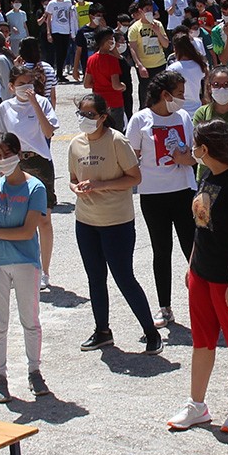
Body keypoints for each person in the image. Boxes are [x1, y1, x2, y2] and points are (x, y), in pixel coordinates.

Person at [168, 120, 228, 434]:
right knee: (202, 340)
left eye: (194, 144)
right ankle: (197, 404)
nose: (191, 149)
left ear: (204, 148)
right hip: (203, 272)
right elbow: (201, 224)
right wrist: (193, 264)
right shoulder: (207, 175)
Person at [68, 93, 162, 355]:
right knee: (95, 278)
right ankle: (102, 331)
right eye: (81, 114)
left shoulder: (117, 141)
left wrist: (101, 185)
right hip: (86, 221)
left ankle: (150, 332)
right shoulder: (75, 144)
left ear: (103, 116)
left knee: (124, 277)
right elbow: (73, 177)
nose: (85, 120)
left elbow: (134, 177)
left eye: (90, 115)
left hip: (116, 222)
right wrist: (76, 187)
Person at [0, 131, 49, 402]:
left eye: (7, 154)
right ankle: (0, 376)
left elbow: (28, 231)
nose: (3, 160)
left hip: (26, 262)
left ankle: (34, 371)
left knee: (30, 321)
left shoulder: (35, 187)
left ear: (19, 154)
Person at [127, 70, 198, 328]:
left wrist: (185, 159)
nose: (182, 99)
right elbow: (130, 158)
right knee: (161, 250)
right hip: (153, 194)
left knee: (192, 248)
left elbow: (194, 156)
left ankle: (201, 303)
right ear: (164, 95)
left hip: (183, 191)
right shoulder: (139, 120)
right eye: (178, 94)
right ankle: (165, 307)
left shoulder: (183, 117)